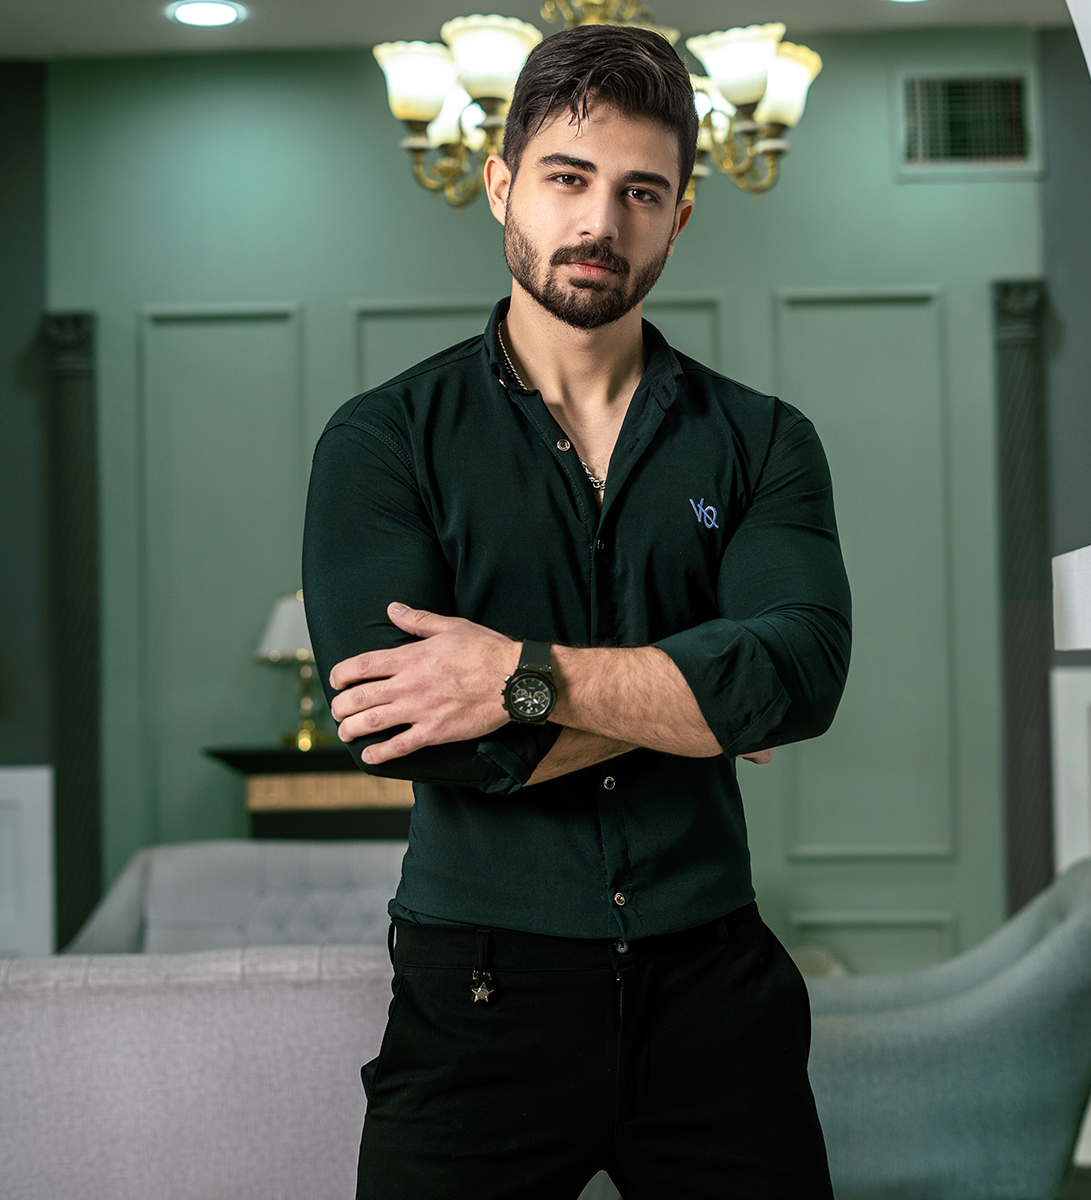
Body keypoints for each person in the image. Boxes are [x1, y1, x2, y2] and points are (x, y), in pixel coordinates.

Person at [302, 21, 852, 1200]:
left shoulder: (764, 441)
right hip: (476, 1001)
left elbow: (801, 673)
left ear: (680, 218)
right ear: (501, 184)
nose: (601, 221)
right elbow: (400, 731)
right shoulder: (383, 441)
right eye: (567, 177)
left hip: (717, 996)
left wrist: (518, 676)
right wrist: (698, 698)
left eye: (640, 192)